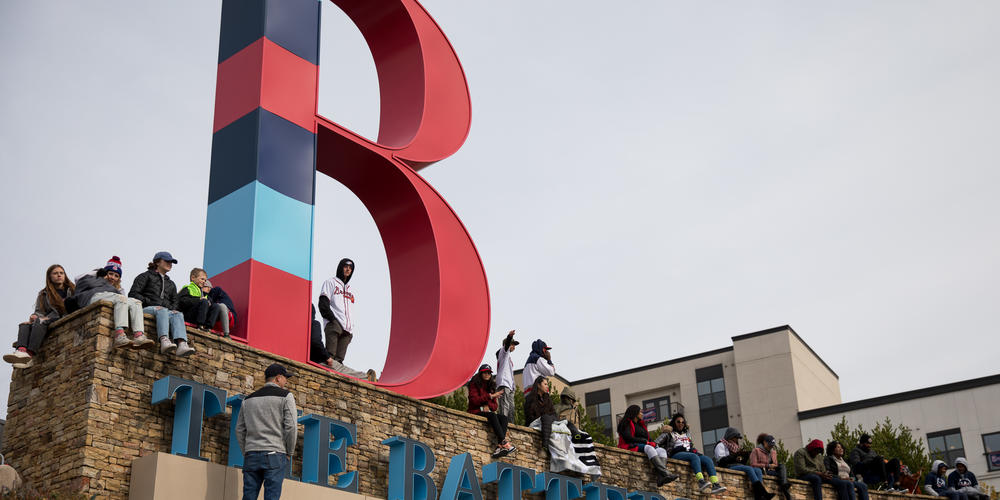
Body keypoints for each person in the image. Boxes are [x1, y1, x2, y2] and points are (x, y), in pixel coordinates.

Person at [236, 363, 297, 500]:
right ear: (278, 378)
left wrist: (246, 451)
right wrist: (290, 452)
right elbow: (291, 427)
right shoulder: (286, 396)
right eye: (285, 378)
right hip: (275, 454)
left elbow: (239, 429)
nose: (286, 381)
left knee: (248, 497)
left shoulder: (248, 399)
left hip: (251, 454)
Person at [72, 257, 154, 351]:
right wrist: (98, 272)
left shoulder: (118, 290)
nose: (112, 277)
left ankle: (139, 336)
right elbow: (77, 279)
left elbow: (125, 301)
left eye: (116, 276)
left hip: (111, 296)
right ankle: (119, 335)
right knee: (121, 298)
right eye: (110, 274)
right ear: (105, 273)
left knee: (136, 302)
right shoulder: (95, 278)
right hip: (92, 297)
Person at [4, 264, 77, 368]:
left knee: (40, 321)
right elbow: (39, 311)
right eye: (55, 273)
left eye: (61, 273)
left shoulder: (72, 289)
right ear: (50, 277)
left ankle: (30, 355)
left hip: (64, 316)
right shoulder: (44, 294)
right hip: (48, 318)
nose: (59, 275)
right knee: (25, 325)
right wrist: (33, 317)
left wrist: (41, 318)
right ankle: (21, 352)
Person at [128, 251, 194, 356]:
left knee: (178, 313)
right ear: (157, 262)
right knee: (161, 309)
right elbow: (133, 294)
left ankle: (182, 344)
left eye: (171, 262)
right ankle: (164, 340)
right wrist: (150, 302)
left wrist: (171, 308)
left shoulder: (171, 284)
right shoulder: (145, 276)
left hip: (163, 310)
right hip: (146, 308)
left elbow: (175, 302)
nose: (170, 264)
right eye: (167, 261)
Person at [657, 414, 726, 494]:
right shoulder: (669, 433)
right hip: (676, 454)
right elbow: (656, 442)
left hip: (689, 452)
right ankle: (701, 481)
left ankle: (715, 485)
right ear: (674, 423)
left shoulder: (686, 434)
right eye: (678, 422)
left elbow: (690, 445)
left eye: (683, 422)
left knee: (708, 460)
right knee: (694, 457)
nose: (681, 424)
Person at [617, 405, 678, 487]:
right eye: (640, 412)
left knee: (662, 451)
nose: (642, 414)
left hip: (644, 444)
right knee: (649, 448)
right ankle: (666, 473)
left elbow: (648, 438)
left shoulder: (641, 425)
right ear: (635, 413)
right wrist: (645, 442)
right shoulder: (626, 423)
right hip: (631, 445)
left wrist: (652, 442)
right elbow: (628, 438)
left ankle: (661, 478)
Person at [467, 364, 514, 459]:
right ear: (481, 373)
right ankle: (503, 442)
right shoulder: (473, 385)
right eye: (485, 372)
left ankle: (499, 446)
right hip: (475, 411)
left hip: (487, 412)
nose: (487, 374)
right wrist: (490, 397)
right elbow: (474, 401)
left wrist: (487, 405)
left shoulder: (491, 387)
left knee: (504, 418)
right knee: (492, 415)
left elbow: (495, 406)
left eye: (489, 373)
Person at [714, 427, 774, 499]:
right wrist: (735, 455)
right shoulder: (721, 445)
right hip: (727, 466)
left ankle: (759, 496)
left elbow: (739, 461)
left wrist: (745, 456)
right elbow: (721, 461)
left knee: (757, 470)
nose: (737, 440)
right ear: (730, 436)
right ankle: (763, 493)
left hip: (736, 465)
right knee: (749, 469)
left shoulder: (735, 446)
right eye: (736, 438)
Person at [318, 258, 356, 364]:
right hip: (334, 324)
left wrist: (351, 326)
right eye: (346, 266)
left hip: (347, 330)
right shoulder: (330, 282)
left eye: (350, 268)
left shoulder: (350, 289)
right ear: (341, 267)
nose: (348, 269)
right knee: (329, 358)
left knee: (339, 362)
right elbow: (323, 303)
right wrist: (332, 319)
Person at [177, 268, 229, 336]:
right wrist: (198, 300)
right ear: (193, 278)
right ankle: (200, 326)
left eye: (205, 280)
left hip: (199, 315)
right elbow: (181, 301)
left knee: (215, 306)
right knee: (204, 302)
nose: (204, 281)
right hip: (188, 315)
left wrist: (209, 303)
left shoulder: (204, 294)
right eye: (202, 279)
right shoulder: (187, 288)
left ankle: (208, 327)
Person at [749, 434, 792, 500]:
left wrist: (774, 466)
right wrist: (767, 465)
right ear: (764, 442)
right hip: (762, 471)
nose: (771, 447)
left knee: (782, 467)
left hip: (771, 471)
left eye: (772, 445)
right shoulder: (756, 450)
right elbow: (753, 464)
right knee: (782, 477)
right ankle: (787, 493)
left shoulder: (773, 452)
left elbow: (775, 463)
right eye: (769, 444)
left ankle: (784, 485)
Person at [524, 376, 557, 455]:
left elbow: (554, 414)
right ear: (538, 385)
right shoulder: (530, 398)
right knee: (545, 417)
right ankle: (544, 446)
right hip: (534, 423)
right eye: (545, 384)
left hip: (547, 423)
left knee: (566, 422)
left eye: (547, 384)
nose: (547, 386)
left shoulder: (548, 399)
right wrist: (542, 417)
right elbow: (529, 416)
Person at [494, 330, 518, 422]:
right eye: (513, 344)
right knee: (505, 407)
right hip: (504, 383)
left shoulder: (508, 358)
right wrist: (509, 337)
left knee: (511, 409)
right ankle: (503, 426)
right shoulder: (503, 353)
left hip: (510, 386)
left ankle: (510, 427)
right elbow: (506, 346)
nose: (514, 347)